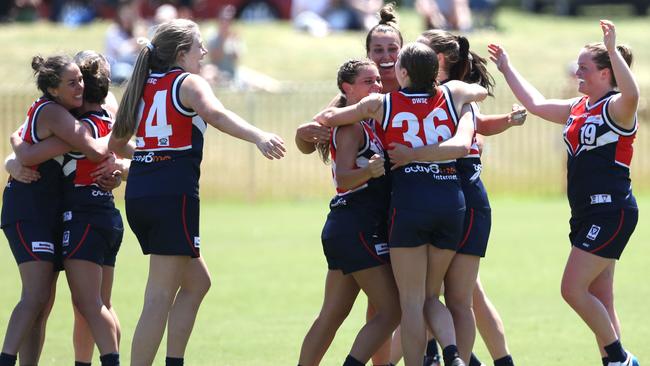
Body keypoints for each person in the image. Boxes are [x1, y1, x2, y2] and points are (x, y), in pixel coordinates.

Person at [108, 19, 286, 366]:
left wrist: (148, 159)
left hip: (143, 194)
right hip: (172, 196)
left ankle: (175, 361)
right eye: (198, 47)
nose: (204, 52)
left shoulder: (143, 85)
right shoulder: (187, 83)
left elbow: (116, 144)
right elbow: (215, 114)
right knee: (159, 295)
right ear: (180, 54)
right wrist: (259, 136)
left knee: (198, 283)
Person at [315, 42, 488, 366]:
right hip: (452, 201)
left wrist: (329, 119)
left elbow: (331, 116)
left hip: (410, 203)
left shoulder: (382, 103)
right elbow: (478, 94)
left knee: (411, 302)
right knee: (431, 296)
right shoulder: (452, 95)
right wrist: (464, 100)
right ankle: (452, 354)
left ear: (403, 72)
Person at [488, 20, 639, 366]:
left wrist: (612, 49)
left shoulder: (618, 107)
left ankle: (621, 357)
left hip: (611, 211)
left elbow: (633, 94)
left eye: (584, 69)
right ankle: (614, 362)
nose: (577, 74)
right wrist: (507, 67)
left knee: (571, 289)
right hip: (586, 213)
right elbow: (537, 103)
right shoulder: (578, 107)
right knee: (601, 297)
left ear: (606, 73)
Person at [386, 29, 524, 365]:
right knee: (441, 295)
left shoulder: (452, 95)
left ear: (439, 60)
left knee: (459, 297)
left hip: (463, 197)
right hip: (444, 200)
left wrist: (411, 155)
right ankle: (454, 356)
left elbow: (465, 139)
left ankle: (470, 358)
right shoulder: (433, 95)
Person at [0, 54, 111, 366]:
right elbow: (93, 147)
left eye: (81, 80)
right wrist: (23, 152)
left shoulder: (57, 109)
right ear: (52, 88)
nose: (80, 87)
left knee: (42, 301)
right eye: (72, 82)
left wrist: (20, 148)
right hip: (29, 211)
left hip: (48, 212)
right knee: (35, 297)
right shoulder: (53, 112)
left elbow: (23, 142)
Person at [298, 59, 400, 366]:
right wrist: (369, 171)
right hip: (357, 224)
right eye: (368, 82)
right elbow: (343, 178)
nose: (377, 86)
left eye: (378, 81)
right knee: (392, 311)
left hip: (349, 225)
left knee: (331, 315)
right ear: (348, 88)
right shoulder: (351, 126)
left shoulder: (369, 121)